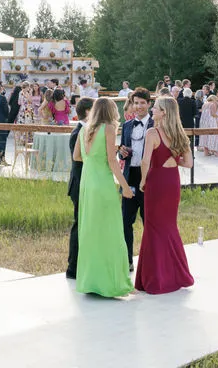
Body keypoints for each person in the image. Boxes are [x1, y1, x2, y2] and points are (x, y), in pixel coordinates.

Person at [72, 97, 135, 298]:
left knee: (90, 231)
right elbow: (112, 161)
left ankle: (91, 281)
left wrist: (93, 159)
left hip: (87, 183)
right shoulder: (108, 128)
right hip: (102, 183)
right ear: (110, 112)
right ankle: (112, 282)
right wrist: (125, 187)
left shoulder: (84, 130)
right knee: (110, 231)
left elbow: (77, 157)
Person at [135, 95, 195, 294]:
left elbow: (145, 161)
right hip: (172, 182)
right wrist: (173, 160)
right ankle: (176, 275)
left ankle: (156, 279)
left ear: (164, 112)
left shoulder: (153, 132)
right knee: (169, 226)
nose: (152, 109)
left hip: (157, 182)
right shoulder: (180, 134)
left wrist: (143, 181)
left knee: (153, 228)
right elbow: (188, 163)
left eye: (156, 108)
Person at [118, 86, 152, 271]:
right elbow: (122, 154)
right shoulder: (127, 125)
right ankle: (127, 259)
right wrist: (121, 152)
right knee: (125, 222)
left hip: (149, 178)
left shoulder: (156, 125)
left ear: (149, 104)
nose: (138, 106)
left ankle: (149, 261)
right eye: (136, 103)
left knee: (149, 222)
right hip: (130, 177)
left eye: (142, 103)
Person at [65, 96, 93, 280]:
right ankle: (73, 267)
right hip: (80, 183)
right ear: (89, 112)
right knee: (79, 224)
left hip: (87, 183)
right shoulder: (78, 133)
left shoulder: (87, 131)